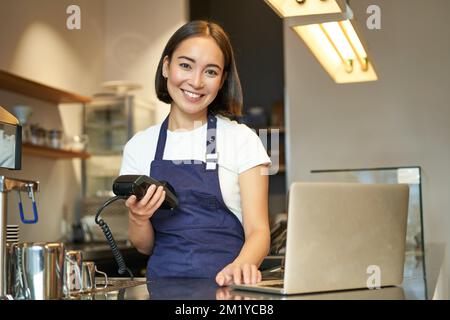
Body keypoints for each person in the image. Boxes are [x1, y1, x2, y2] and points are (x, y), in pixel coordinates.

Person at [120, 20, 271, 287]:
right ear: (166, 66)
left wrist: (241, 265)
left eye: (210, 71)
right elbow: (143, 246)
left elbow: (258, 231)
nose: (196, 82)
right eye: (186, 65)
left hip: (227, 288)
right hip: (163, 289)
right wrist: (138, 217)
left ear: (222, 79)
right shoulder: (140, 146)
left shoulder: (242, 140)